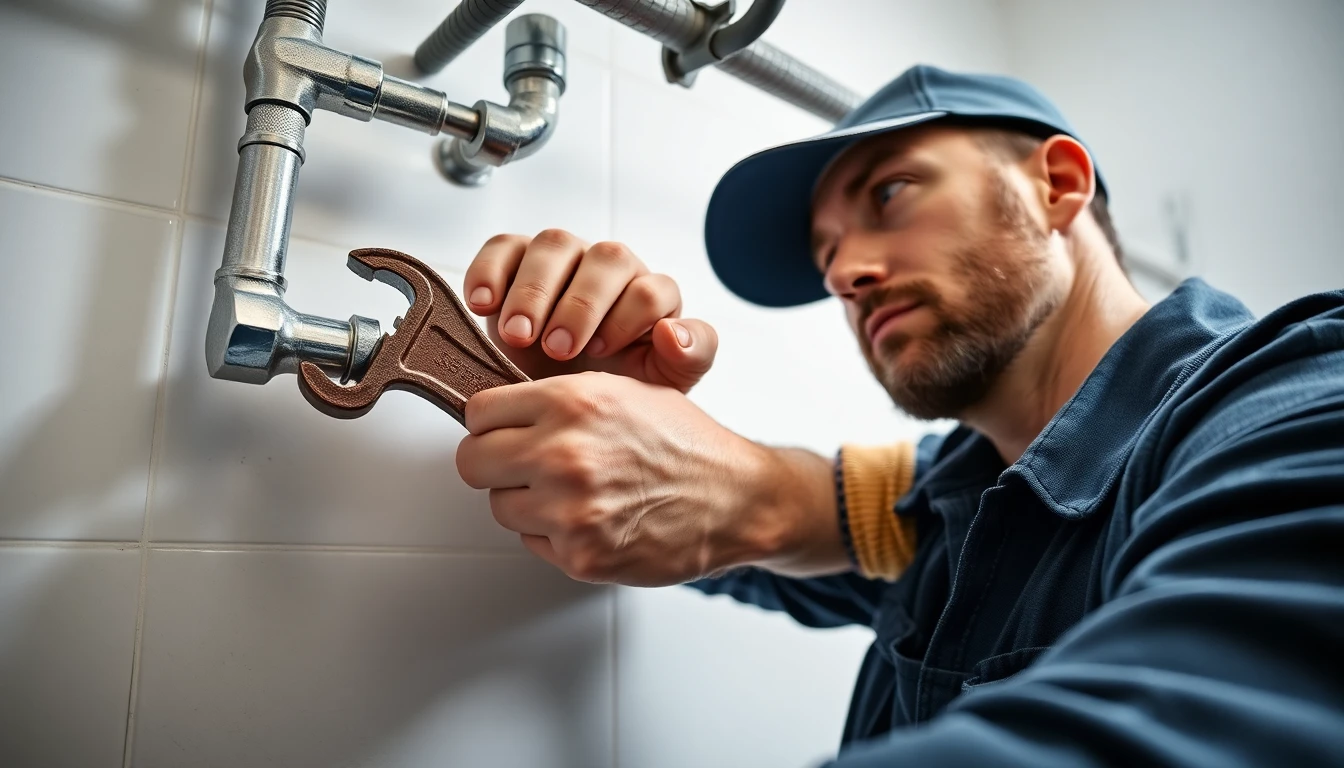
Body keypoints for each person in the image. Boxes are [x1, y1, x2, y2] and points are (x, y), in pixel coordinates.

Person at [453, 65, 1344, 765]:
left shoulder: (1293, 405)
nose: (843, 273)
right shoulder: (951, 505)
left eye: (889, 195)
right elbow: (787, 511)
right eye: (827, 251)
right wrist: (606, 411)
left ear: (1057, 185)